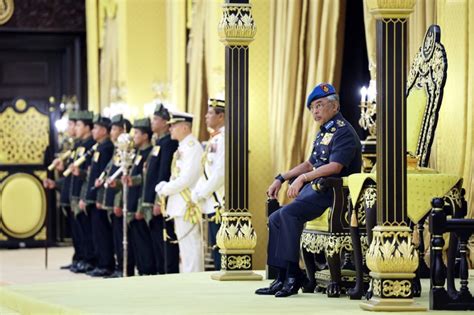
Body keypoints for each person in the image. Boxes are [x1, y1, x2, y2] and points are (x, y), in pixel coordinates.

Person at [255, 83, 362, 297]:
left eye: (319, 105)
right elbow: (310, 163)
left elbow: (335, 167)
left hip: (333, 193)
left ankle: (294, 276)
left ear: (335, 106)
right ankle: (281, 277)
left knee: (286, 214)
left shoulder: (343, 132)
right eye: (312, 107)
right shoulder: (325, 132)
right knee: (276, 217)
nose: (315, 111)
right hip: (317, 191)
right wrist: (282, 177)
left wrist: (302, 179)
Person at [155, 112, 204, 273]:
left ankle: (194, 281)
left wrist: (164, 189)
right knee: (185, 247)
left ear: (185, 127)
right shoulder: (183, 146)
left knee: (191, 246)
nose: (170, 129)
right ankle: (189, 279)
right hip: (178, 204)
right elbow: (176, 175)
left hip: (187, 204)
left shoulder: (192, 147)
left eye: (174, 125)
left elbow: (187, 178)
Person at [142, 104, 180, 274]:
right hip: (152, 196)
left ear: (166, 122)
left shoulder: (168, 142)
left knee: (165, 239)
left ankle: (168, 272)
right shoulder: (158, 142)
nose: (152, 122)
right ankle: (160, 270)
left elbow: (165, 172)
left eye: (156, 119)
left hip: (162, 198)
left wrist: (159, 200)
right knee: (156, 239)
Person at [192, 98, 225, 270]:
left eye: (210, 113)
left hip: (219, 200)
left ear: (221, 116)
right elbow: (206, 170)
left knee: (220, 248)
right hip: (210, 201)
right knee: (214, 247)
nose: (206, 116)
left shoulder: (224, 139)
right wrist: (198, 191)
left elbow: (220, 173)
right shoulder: (214, 139)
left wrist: (203, 192)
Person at [100, 114, 134, 277]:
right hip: (112, 198)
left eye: (114, 129)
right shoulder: (117, 151)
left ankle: (124, 267)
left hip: (121, 200)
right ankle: (119, 266)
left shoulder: (129, 151)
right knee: (116, 237)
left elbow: (125, 178)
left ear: (124, 130)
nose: (111, 132)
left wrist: (118, 203)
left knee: (123, 238)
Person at [81, 115, 115, 277]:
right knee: (96, 233)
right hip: (93, 195)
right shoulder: (98, 147)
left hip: (100, 197)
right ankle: (100, 262)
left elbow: (104, 175)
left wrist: (99, 198)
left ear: (103, 130)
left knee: (102, 233)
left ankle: (106, 264)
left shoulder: (107, 147)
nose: (93, 131)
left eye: (95, 128)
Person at [123, 118, 157, 275]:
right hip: (131, 202)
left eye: (136, 133)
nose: (133, 136)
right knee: (136, 242)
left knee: (144, 242)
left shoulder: (150, 152)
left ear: (145, 136)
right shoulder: (137, 154)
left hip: (140, 204)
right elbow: (137, 176)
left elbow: (146, 181)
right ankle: (141, 269)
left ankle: (147, 271)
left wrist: (140, 207)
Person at [68, 110, 97, 273]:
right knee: (79, 231)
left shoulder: (90, 146)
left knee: (87, 231)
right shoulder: (79, 145)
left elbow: (89, 173)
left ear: (87, 127)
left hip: (84, 194)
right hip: (76, 192)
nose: (76, 128)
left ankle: (89, 259)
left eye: (79, 125)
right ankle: (81, 258)